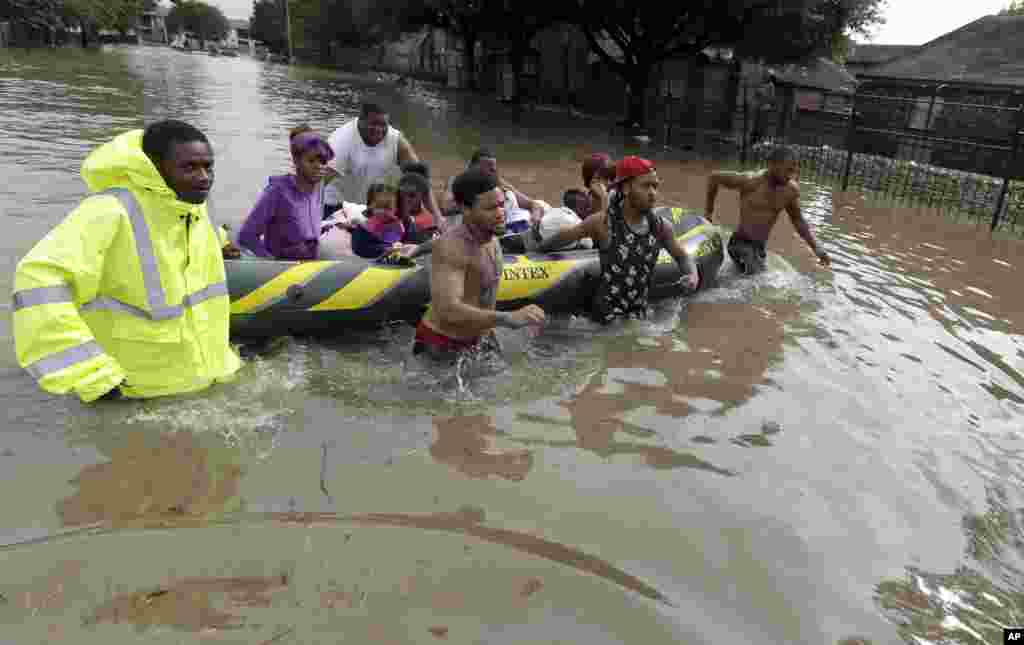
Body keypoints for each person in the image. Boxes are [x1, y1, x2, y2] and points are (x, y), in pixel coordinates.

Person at [12, 120, 241, 403]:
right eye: (190, 167)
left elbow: (176, 244)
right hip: (136, 394)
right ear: (155, 167)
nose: (204, 176)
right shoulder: (110, 210)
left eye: (208, 166)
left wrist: (221, 242)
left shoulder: (193, 208)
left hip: (206, 381)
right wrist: (94, 377)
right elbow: (37, 278)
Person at [537, 156, 700, 324]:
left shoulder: (661, 227)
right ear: (626, 188)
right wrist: (538, 250)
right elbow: (565, 236)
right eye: (646, 186)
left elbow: (683, 257)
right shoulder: (603, 223)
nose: (653, 193)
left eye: (655, 186)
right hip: (602, 321)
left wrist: (692, 276)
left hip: (638, 316)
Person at [415, 168, 546, 360]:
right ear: (466, 209)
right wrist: (508, 318)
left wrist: (417, 248)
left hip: (481, 337)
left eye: (502, 205)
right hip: (442, 345)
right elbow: (448, 309)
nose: (501, 213)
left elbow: (447, 238)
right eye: (490, 208)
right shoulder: (452, 248)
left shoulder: (490, 236)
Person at [705, 144, 831, 275]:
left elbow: (798, 221)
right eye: (787, 170)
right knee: (755, 281)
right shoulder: (750, 181)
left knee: (753, 277)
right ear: (772, 165)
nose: (791, 176)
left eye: (793, 171)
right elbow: (714, 177)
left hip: (759, 248)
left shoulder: (790, 191)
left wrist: (818, 250)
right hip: (740, 243)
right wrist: (709, 213)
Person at [323, 101, 440, 220]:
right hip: (336, 207)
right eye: (373, 124)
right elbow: (318, 182)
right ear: (360, 120)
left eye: (383, 125)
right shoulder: (341, 142)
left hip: (370, 207)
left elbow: (420, 180)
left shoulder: (396, 141)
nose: (378, 129)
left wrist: (438, 218)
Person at [238, 125, 335, 261]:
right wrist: (270, 262)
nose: (318, 166)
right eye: (311, 161)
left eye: (323, 162)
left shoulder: (319, 188)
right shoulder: (278, 191)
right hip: (282, 271)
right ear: (296, 161)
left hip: (311, 266)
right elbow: (246, 236)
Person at [443, 149, 538, 232]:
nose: (493, 169)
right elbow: (446, 207)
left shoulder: (495, 181)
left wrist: (535, 218)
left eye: (494, 167)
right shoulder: (457, 181)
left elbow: (531, 204)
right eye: (488, 166)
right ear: (472, 167)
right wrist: (478, 202)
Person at [350, 183, 417, 260]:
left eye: (387, 207)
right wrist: (386, 249)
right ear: (370, 206)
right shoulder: (363, 228)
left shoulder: (405, 224)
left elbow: (413, 244)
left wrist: (404, 247)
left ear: (397, 208)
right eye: (378, 207)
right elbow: (359, 248)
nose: (382, 211)